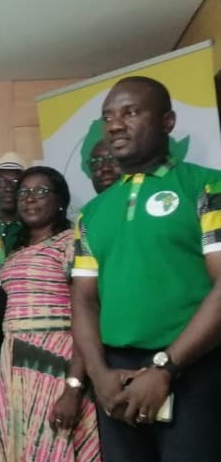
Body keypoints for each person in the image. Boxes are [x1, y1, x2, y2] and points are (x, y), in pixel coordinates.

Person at [71, 76, 221, 462]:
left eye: (131, 112)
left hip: (193, 368)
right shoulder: (92, 213)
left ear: (168, 122)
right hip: (115, 376)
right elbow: (84, 300)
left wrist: (165, 368)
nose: (115, 125)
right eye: (108, 117)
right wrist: (98, 374)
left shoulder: (207, 187)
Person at [0, 166, 101, 462]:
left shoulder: (72, 242)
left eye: (40, 191)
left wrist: (73, 387)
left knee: (53, 446)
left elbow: (86, 314)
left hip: (57, 363)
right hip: (13, 363)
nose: (30, 198)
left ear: (60, 200)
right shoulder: (15, 249)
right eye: (24, 192)